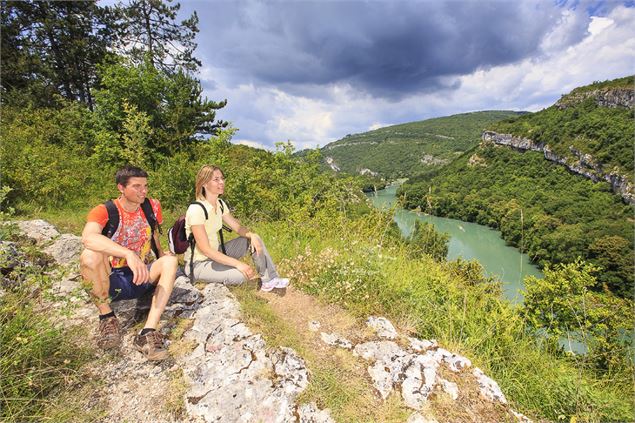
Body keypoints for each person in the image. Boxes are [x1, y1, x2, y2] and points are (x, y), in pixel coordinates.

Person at [80, 165, 178, 361]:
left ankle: (147, 332)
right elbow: (88, 238)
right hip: (111, 281)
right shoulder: (104, 211)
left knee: (170, 261)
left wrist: (160, 254)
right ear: (121, 188)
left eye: (145, 186)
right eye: (136, 186)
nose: (143, 191)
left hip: (141, 276)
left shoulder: (152, 207)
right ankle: (107, 318)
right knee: (89, 255)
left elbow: (154, 234)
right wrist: (128, 254)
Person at [184, 165, 289, 290]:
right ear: (204, 183)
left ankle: (270, 279)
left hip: (216, 253)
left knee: (252, 238)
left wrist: (252, 235)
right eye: (216, 179)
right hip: (199, 264)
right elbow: (206, 250)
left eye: (222, 178)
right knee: (243, 275)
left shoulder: (220, 204)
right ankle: (207, 276)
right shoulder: (196, 209)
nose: (221, 182)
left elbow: (238, 228)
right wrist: (238, 264)